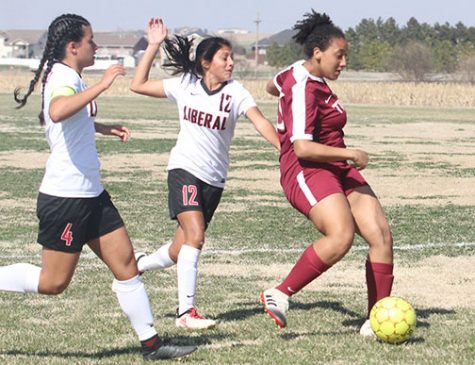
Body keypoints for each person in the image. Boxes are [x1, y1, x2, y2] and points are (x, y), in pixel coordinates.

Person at [1, 14, 197, 360]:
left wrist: (103, 127)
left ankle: (152, 345)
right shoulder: (63, 77)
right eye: (91, 41)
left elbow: (66, 121)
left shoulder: (71, 77)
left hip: (92, 195)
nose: (97, 46)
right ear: (73, 47)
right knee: (53, 283)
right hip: (66, 199)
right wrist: (103, 84)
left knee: (126, 266)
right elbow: (59, 111)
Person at [130, 17, 280, 330]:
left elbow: (261, 122)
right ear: (206, 62)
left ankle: (138, 265)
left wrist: (285, 149)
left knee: (178, 249)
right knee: (196, 236)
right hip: (184, 169)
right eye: (225, 58)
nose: (231, 63)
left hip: (214, 180)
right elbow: (138, 84)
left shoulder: (236, 92)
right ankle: (186, 313)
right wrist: (154, 45)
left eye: (232, 58)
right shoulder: (184, 84)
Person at [260, 10, 394, 337]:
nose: (344, 62)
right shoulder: (304, 85)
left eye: (346, 55)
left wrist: (284, 91)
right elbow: (303, 147)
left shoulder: (301, 75)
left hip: (336, 166)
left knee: (380, 235)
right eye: (339, 55)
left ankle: (377, 319)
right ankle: (279, 292)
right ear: (317, 53)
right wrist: (351, 153)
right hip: (306, 168)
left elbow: (270, 85)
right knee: (341, 235)